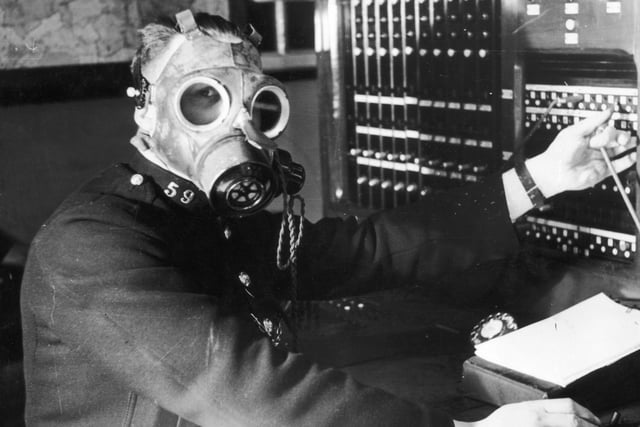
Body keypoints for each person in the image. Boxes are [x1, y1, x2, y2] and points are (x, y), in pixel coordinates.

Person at [20, 10, 636, 427]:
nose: (238, 127)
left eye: (256, 104)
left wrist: (543, 177)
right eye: (203, 99)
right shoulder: (93, 242)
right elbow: (241, 389)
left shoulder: (205, 217)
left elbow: (369, 249)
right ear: (147, 114)